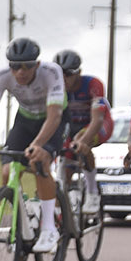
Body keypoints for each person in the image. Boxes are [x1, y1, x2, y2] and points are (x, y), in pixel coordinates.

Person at [0, 37, 66, 253]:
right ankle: (23, 221)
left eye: (27, 66)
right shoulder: (3, 77)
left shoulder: (51, 72)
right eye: (15, 66)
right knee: (7, 172)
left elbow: (55, 116)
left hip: (51, 120)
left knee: (40, 162)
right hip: (25, 120)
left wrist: (38, 145)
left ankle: (49, 228)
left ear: (36, 64)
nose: (21, 71)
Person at [53, 49, 112, 213]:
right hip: (72, 125)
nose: (64, 78)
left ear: (79, 73)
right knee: (64, 164)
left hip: (98, 123)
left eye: (68, 74)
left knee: (81, 141)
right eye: (59, 74)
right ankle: (62, 209)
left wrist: (82, 140)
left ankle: (93, 193)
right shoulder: (55, 87)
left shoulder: (93, 84)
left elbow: (97, 119)